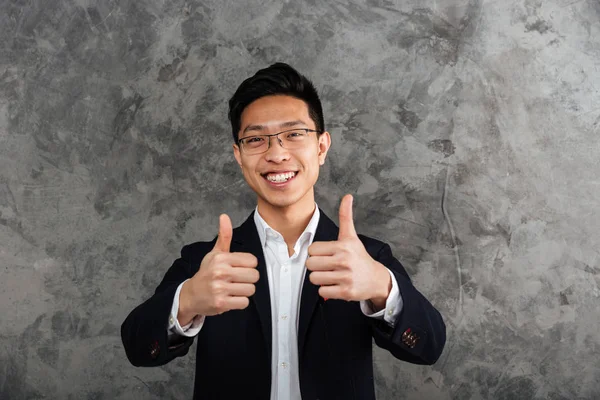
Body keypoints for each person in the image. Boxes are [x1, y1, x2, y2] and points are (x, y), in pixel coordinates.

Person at [121, 63, 446, 400]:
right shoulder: (207, 263)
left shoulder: (364, 258)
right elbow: (138, 348)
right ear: (239, 154)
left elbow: (428, 347)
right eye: (256, 139)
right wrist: (187, 301)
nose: (276, 154)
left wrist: (381, 286)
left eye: (294, 134)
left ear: (321, 147)